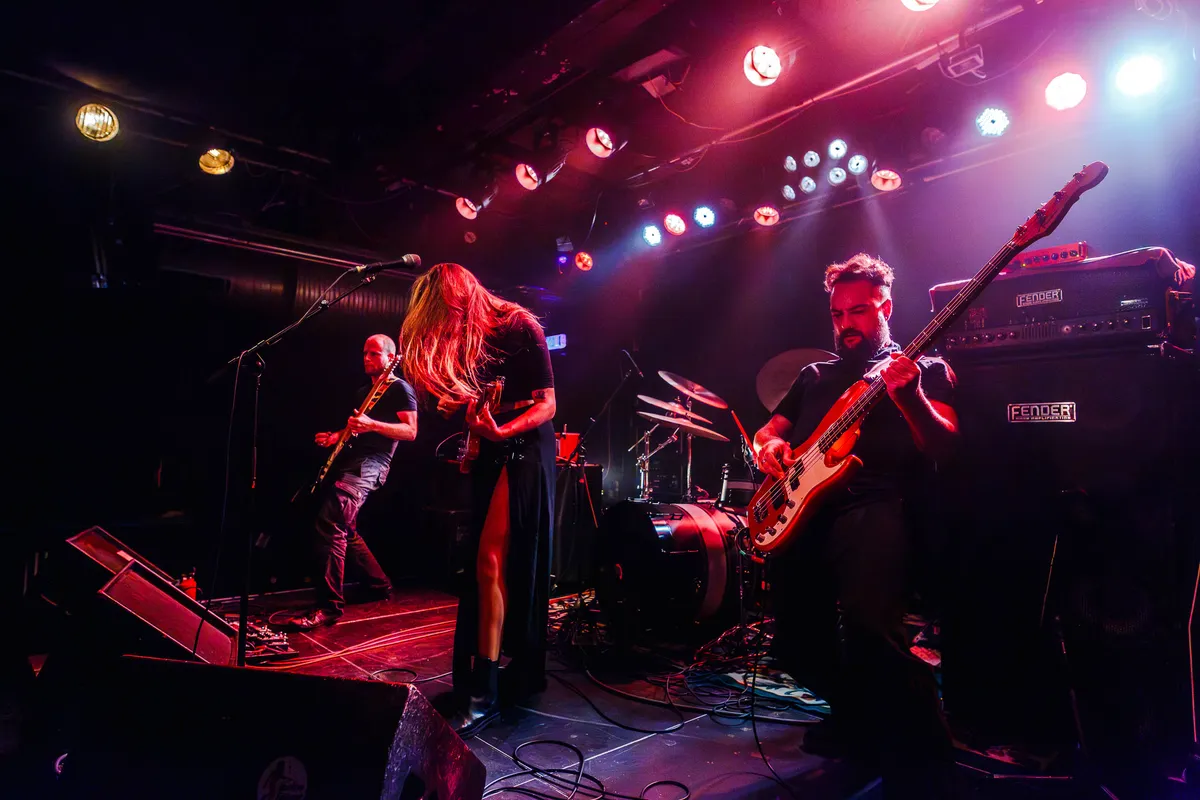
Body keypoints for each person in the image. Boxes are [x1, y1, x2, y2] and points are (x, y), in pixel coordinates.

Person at [752, 253, 959, 796]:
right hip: (807, 514)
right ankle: (860, 719)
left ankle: (929, 764)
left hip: (877, 504)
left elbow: (944, 444)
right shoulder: (814, 375)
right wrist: (768, 448)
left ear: (885, 308)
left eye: (859, 311)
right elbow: (769, 431)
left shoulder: (923, 368)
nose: (846, 323)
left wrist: (910, 397)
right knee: (794, 645)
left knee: (871, 629)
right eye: (838, 314)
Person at [399, 263, 556, 737]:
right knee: (487, 566)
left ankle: (485, 694)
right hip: (490, 445)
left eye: (445, 313)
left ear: (460, 298)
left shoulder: (519, 325)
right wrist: (463, 411)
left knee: (490, 562)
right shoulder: (471, 340)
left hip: (523, 446)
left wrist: (501, 431)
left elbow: (547, 404)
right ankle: (489, 675)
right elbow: (477, 402)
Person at [281, 334, 418, 631]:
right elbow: (354, 428)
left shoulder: (399, 388)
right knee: (346, 527)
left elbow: (410, 431)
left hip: (372, 465)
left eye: (374, 353)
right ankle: (379, 585)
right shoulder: (364, 392)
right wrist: (335, 436)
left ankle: (329, 607)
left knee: (331, 521)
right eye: (365, 353)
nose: (367, 358)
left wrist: (372, 425)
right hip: (351, 461)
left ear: (390, 357)